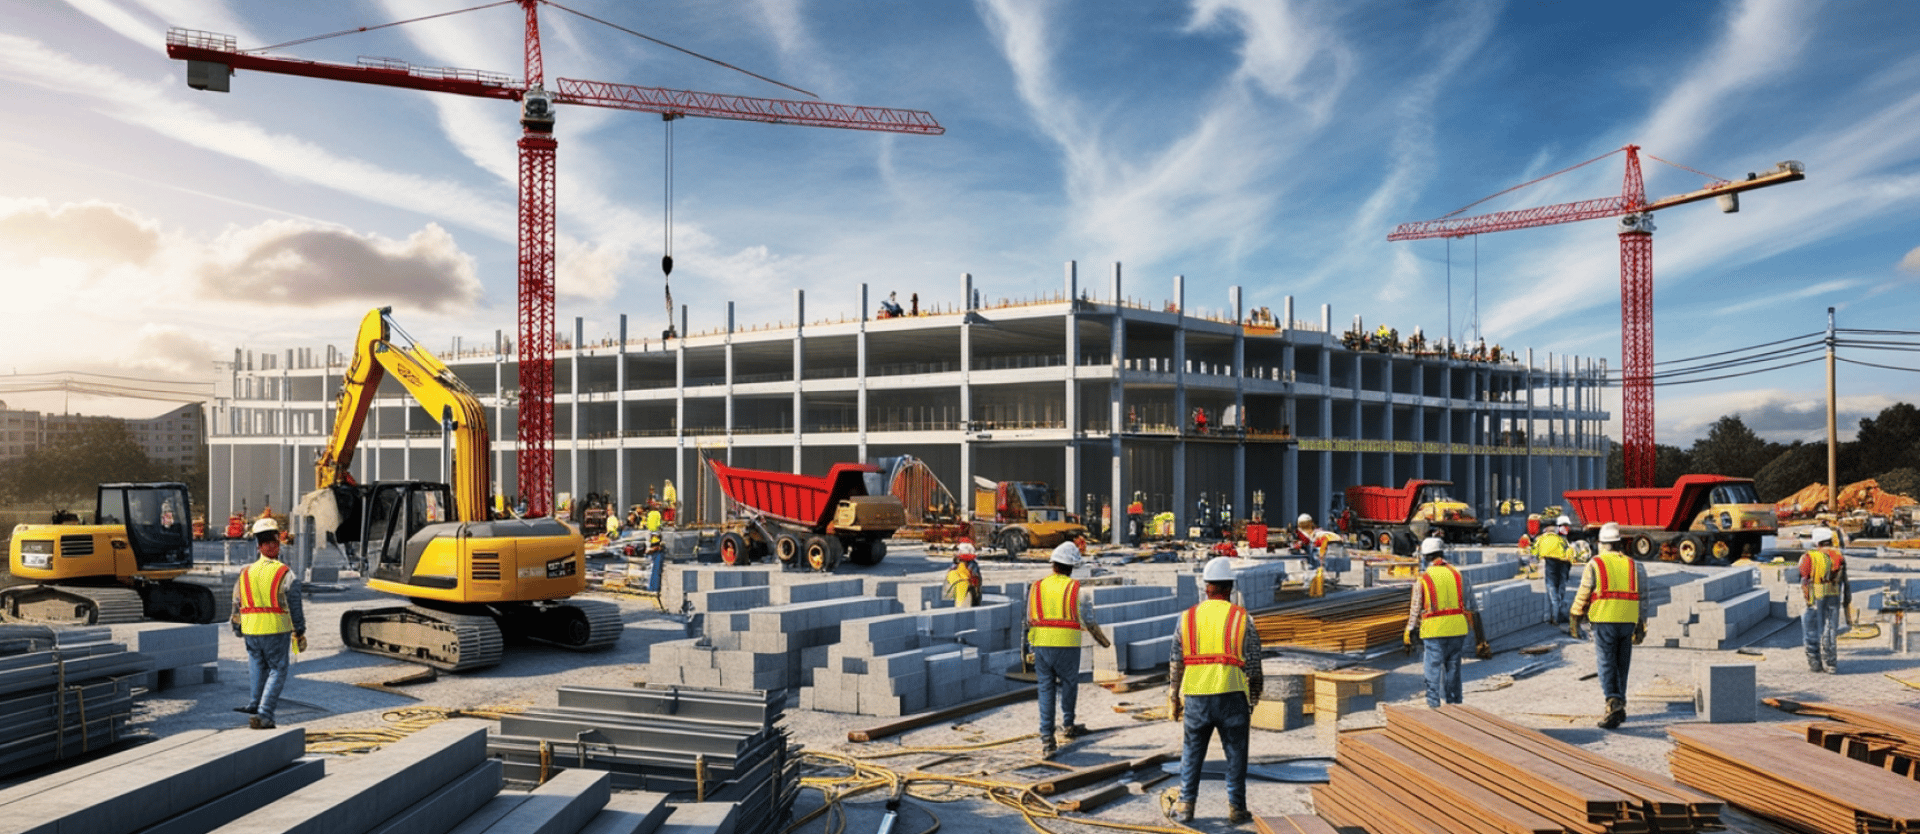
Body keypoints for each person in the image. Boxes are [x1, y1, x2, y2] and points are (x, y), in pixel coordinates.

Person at [1169, 557, 1262, 824]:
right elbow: (1254, 664)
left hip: (1197, 696)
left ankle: (1186, 805)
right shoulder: (1243, 619)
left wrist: (1174, 696)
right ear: (1230, 588)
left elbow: (1176, 661)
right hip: (1232, 695)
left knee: (1192, 751)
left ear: (1206, 587)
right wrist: (1253, 698)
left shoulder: (1186, 618)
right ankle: (1236, 808)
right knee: (1236, 753)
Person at [1025, 533, 1110, 759]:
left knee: (1045, 689)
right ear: (1072, 567)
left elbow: (1030, 618)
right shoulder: (1076, 590)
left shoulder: (1036, 587)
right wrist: (1103, 641)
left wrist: (1029, 647)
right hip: (1067, 646)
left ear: (1053, 564)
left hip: (1041, 644)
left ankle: (1047, 739)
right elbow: (1089, 620)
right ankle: (1068, 723)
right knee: (1069, 684)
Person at [1568, 522, 1649, 730]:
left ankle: (1612, 701)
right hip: (1628, 620)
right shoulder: (1635, 565)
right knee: (1622, 664)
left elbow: (1584, 591)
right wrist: (1641, 624)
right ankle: (1619, 703)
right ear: (1619, 544)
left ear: (1602, 544)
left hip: (1604, 619)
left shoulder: (1595, 563)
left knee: (1606, 662)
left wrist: (1575, 616)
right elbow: (1644, 597)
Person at [231, 518, 306, 730]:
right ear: (277, 544)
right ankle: (264, 714)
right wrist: (299, 630)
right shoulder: (285, 573)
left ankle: (255, 704)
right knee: (277, 669)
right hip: (275, 628)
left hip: (251, 630)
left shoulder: (245, 573)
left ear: (258, 547)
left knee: (256, 664)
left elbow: (237, 602)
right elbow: (295, 605)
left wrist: (236, 626)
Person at [1404, 537, 1482, 708]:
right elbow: (1472, 606)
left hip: (1434, 631)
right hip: (1457, 629)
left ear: (1425, 557)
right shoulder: (1458, 574)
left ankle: (1434, 709)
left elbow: (1416, 608)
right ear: (1442, 553)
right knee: (1453, 671)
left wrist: (1409, 629)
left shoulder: (1423, 579)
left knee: (1432, 672)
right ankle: (1455, 707)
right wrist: (1479, 637)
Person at [1798, 527, 1852, 673]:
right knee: (1830, 628)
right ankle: (1831, 664)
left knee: (1811, 629)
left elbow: (1804, 577)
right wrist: (1847, 599)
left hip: (1815, 595)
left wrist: (1806, 596)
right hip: (1833, 594)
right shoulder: (1838, 555)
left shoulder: (1810, 556)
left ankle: (1815, 664)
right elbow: (1844, 579)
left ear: (1817, 541)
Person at [1533, 515, 1576, 624]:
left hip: (1551, 565)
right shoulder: (1560, 539)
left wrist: (1533, 564)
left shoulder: (1541, 539)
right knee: (1560, 591)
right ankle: (1559, 615)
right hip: (1563, 566)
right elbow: (1569, 553)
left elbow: (1534, 553)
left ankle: (1555, 618)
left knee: (1552, 592)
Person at [946, 541, 983, 608]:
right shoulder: (972, 564)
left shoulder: (958, 563)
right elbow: (977, 577)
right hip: (969, 584)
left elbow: (951, 571)